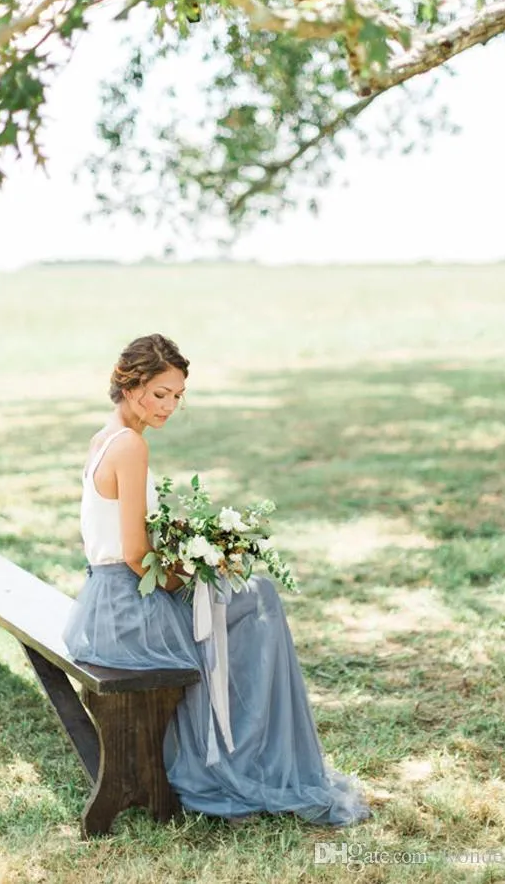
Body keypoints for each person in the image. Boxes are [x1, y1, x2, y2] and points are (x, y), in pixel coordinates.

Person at [63, 333, 371, 825]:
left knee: (246, 598)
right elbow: (137, 555)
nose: (169, 406)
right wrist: (190, 583)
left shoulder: (105, 438)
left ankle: (245, 749)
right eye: (161, 393)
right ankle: (241, 760)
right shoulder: (129, 446)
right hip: (129, 608)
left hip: (105, 601)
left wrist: (194, 565)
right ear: (130, 382)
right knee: (258, 601)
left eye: (178, 396)